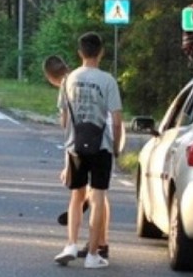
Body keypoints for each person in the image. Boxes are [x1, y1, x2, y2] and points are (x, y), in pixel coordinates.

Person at [53, 32, 123, 269]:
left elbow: (64, 120)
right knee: (98, 196)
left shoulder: (68, 79)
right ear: (101, 52)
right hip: (101, 146)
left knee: (76, 196)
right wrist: (116, 147)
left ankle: (71, 244)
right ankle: (93, 255)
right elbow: (116, 120)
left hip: (75, 146)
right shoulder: (108, 80)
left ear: (80, 53)